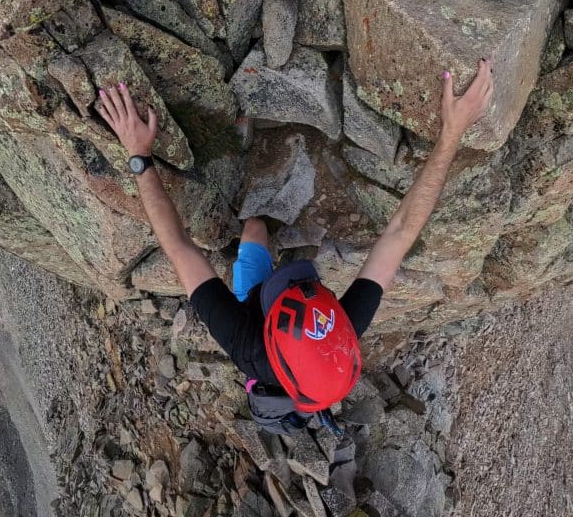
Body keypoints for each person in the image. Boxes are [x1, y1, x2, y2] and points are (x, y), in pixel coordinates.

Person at [96, 59, 495, 434]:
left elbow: (400, 235)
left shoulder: (297, 342)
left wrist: (451, 136)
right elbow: (180, 248)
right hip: (258, 305)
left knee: (253, 227)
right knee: (253, 230)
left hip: (258, 302)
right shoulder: (274, 346)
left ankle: (269, 244)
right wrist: (138, 155)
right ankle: (266, 243)